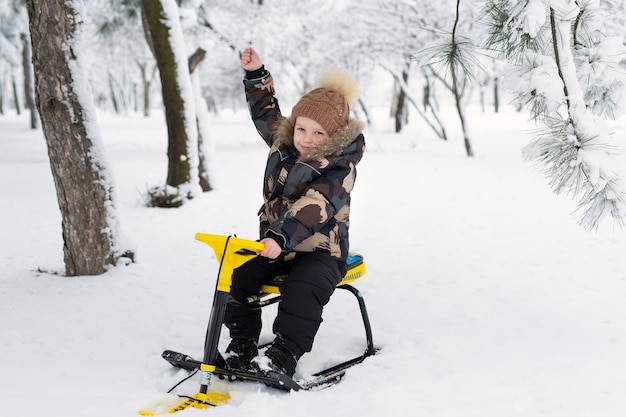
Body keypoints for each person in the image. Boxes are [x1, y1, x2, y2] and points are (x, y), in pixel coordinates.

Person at [223, 47, 366, 378]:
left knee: (303, 287)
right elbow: (264, 111)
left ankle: (284, 353)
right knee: (242, 277)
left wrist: (281, 234)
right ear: (294, 125)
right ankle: (242, 344)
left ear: (334, 136)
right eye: (302, 129)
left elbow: (316, 205)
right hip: (277, 245)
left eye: (319, 133)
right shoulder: (283, 142)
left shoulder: (340, 167)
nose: (307, 138)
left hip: (321, 251)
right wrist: (256, 74)